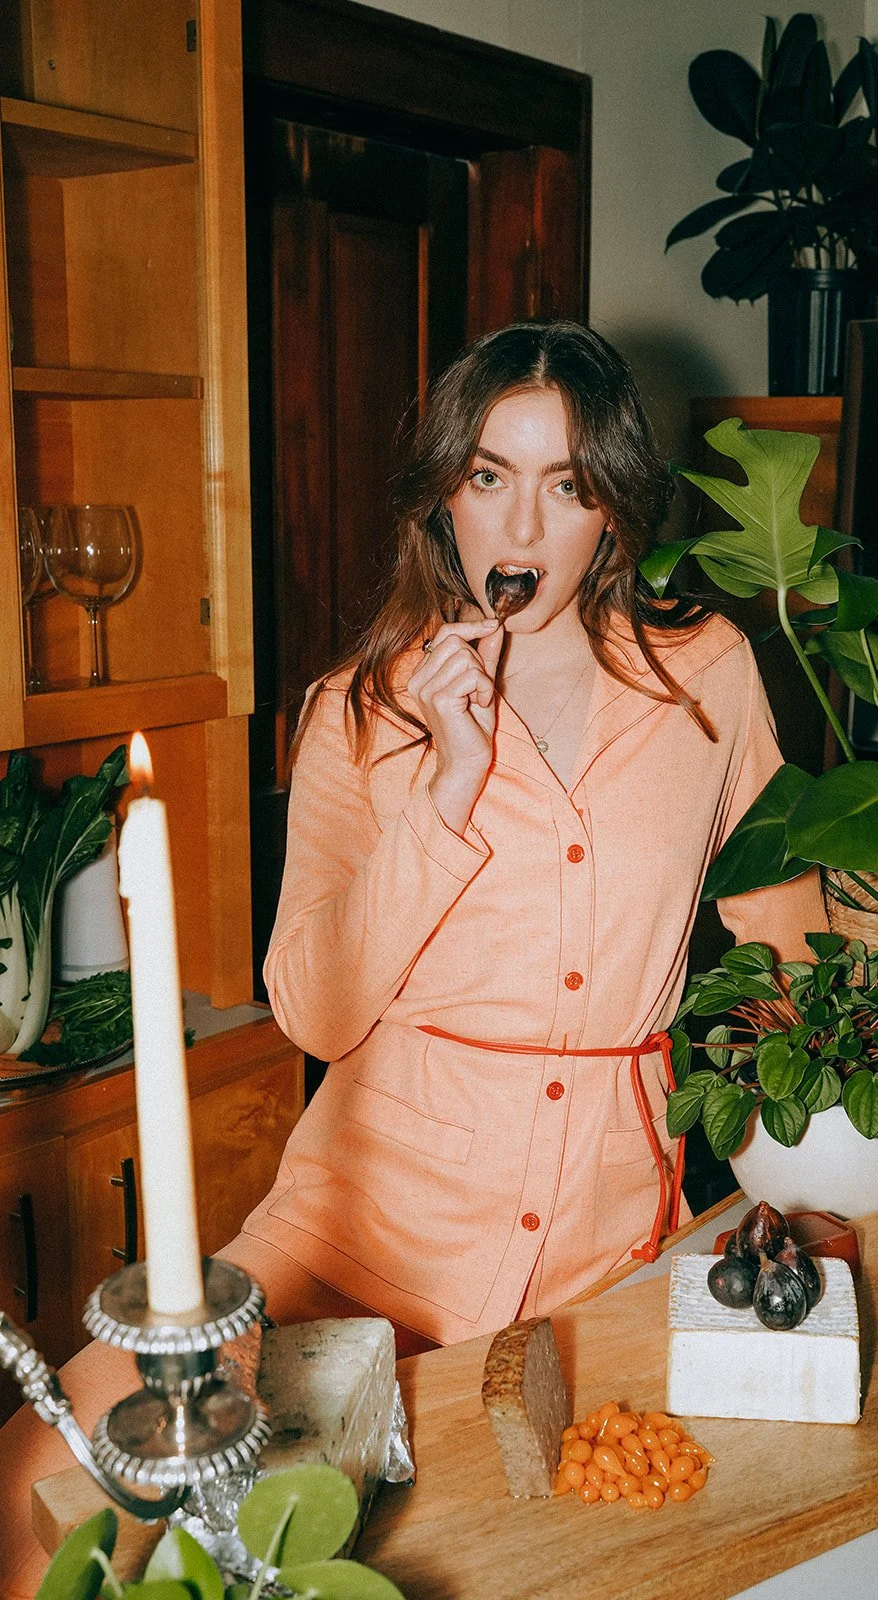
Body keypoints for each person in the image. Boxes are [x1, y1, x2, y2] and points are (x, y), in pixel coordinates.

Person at [0, 322, 825, 1593]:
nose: (521, 528)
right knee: (39, 1487)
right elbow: (316, 1013)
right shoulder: (362, 710)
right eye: (489, 476)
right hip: (356, 1237)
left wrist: (803, 1181)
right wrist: (442, 795)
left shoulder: (705, 676)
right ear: (444, 492)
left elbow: (787, 942)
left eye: (566, 485)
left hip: (598, 1251)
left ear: (611, 511)